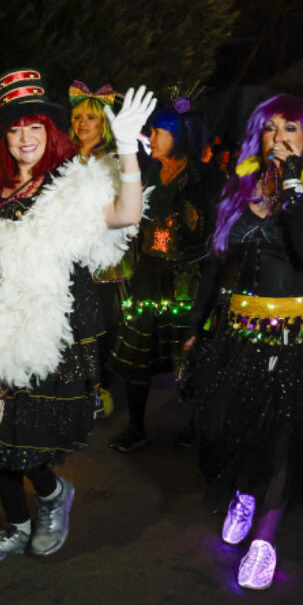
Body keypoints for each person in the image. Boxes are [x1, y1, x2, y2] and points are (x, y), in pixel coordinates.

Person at [0, 69, 153, 562]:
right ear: (4, 139)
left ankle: (53, 494)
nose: (24, 138)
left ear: (50, 132)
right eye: (14, 129)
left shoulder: (70, 185)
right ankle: (14, 524)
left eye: (34, 126)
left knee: (25, 432)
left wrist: (125, 149)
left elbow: (126, 215)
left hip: (49, 319)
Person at [188, 94, 303, 590]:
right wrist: (196, 329)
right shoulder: (236, 189)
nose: (280, 139)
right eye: (271, 129)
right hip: (239, 331)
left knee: (286, 432)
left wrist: (295, 190)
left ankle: (265, 538)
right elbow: (216, 267)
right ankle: (246, 493)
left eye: (291, 130)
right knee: (233, 421)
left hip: (300, 333)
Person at [108, 97, 216, 451]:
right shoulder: (150, 171)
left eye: (158, 131)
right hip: (149, 275)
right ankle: (136, 427)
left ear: (181, 134)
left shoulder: (206, 178)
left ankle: (195, 427)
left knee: (189, 358)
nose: (150, 137)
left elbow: (214, 234)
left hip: (189, 280)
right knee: (138, 355)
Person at [68, 80, 126, 418]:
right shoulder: (64, 158)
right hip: (69, 257)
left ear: (103, 124)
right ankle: (75, 389)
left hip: (103, 262)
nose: (83, 124)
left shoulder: (113, 161)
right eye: (78, 118)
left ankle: (98, 391)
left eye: (91, 118)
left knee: (101, 328)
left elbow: (120, 214)